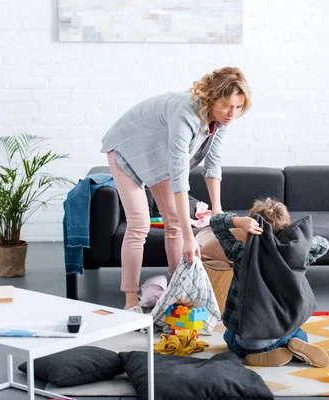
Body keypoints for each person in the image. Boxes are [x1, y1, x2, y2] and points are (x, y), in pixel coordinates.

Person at [100, 67, 252, 314]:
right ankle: (130, 304)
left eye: (238, 107)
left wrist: (218, 211)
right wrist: (190, 237)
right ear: (212, 98)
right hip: (126, 149)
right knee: (139, 225)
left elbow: (213, 164)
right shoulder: (186, 113)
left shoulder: (221, 119)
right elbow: (180, 180)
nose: (232, 113)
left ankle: (178, 292)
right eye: (227, 106)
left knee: (174, 223)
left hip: (157, 156)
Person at [211, 197, 329, 368]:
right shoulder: (296, 256)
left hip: (247, 340)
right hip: (282, 332)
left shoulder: (241, 254)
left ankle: (257, 354)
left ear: (251, 228)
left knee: (229, 337)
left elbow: (215, 223)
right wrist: (300, 243)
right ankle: (294, 345)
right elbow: (324, 245)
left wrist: (237, 221)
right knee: (297, 333)